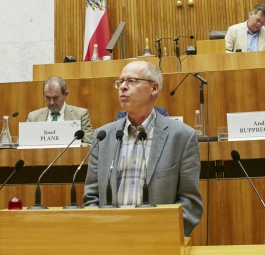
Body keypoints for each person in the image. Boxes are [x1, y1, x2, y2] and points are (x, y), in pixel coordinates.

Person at [83, 60, 203, 236]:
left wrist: (162, 236)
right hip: (110, 239)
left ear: (154, 88)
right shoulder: (103, 136)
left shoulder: (182, 137)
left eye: (131, 81)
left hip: (158, 241)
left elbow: (189, 202)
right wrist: (101, 232)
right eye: (120, 82)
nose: (123, 87)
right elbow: (91, 196)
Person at [27, 76, 93, 144]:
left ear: (65, 94)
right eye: (48, 98)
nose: (51, 102)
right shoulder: (33, 117)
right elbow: (26, 144)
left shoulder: (81, 115)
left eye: (55, 98)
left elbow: (88, 143)